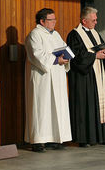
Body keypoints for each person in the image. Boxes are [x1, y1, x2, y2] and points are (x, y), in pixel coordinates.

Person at [67, 6, 105, 147]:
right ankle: (84, 139)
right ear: (84, 20)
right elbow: (75, 56)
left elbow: (100, 48)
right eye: (93, 20)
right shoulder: (74, 35)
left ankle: (103, 136)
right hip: (84, 77)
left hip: (97, 74)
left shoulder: (95, 33)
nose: (96, 22)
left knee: (100, 106)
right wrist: (95, 55)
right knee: (85, 105)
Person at [24, 8, 72, 152]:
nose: (54, 22)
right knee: (41, 108)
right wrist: (55, 59)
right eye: (51, 20)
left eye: (55, 19)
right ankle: (38, 141)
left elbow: (64, 48)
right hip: (42, 77)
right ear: (42, 21)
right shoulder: (35, 34)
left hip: (57, 75)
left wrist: (66, 57)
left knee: (57, 107)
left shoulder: (55, 34)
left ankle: (54, 138)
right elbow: (36, 54)